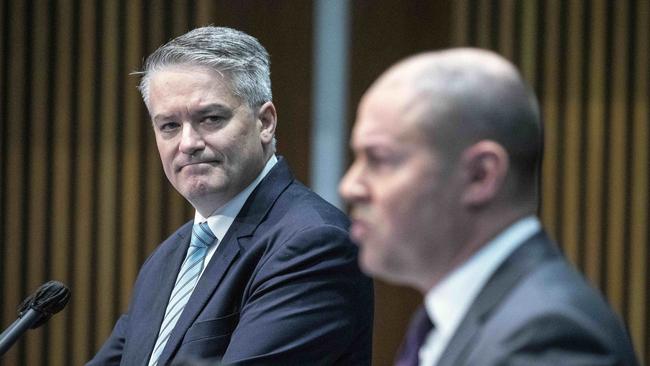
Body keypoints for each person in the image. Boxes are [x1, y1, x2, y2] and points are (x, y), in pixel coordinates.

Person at [88, 26, 373, 365]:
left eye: (210, 118)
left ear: (265, 122)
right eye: (169, 126)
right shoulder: (166, 259)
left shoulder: (313, 243)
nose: (188, 143)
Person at [339, 48, 639, 366]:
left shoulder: (550, 334)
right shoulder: (447, 317)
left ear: (481, 176)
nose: (350, 186)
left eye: (379, 159)